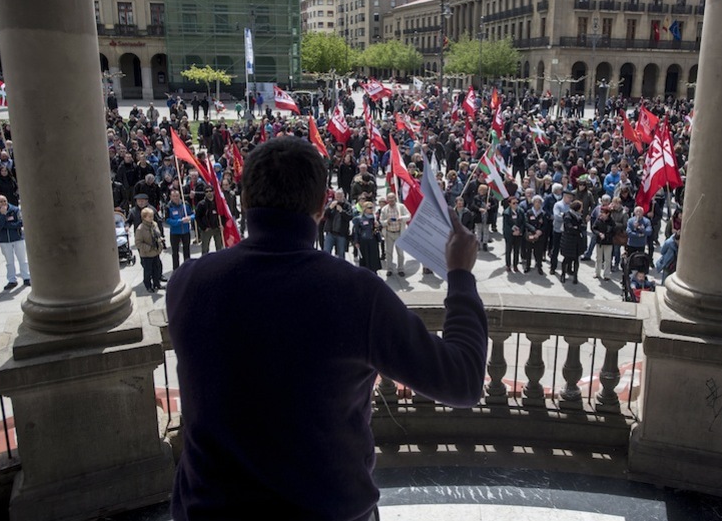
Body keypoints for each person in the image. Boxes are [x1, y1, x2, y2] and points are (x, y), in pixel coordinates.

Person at [166, 137, 486, 520]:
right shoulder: (356, 293)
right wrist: (461, 277)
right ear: (322, 205)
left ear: (245, 200)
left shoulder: (187, 282)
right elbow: (462, 381)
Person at [0, 195, 30, 289]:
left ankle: (26, 278)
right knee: (9, 262)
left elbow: (20, 223)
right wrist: (3, 215)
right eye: (1, 202)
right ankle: (12, 280)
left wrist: (6, 225)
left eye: (5, 201)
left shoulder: (15, 210)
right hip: (5, 240)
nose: (4, 203)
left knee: (22, 260)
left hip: (17, 238)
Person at [378, 192, 409, 276]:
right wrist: (386, 222)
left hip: (399, 232)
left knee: (400, 253)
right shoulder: (384, 209)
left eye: (392, 198)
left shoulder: (401, 207)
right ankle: (390, 269)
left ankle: (401, 269)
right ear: (387, 200)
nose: (391, 200)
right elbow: (381, 221)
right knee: (388, 252)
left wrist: (401, 218)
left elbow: (409, 216)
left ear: (395, 198)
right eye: (389, 198)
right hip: (389, 233)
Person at [134, 206, 164, 293]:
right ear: (144, 217)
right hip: (147, 254)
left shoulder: (154, 224)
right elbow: (138, 243)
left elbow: (157, 234)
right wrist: (148, 248)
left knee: (156, 269)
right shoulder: (140, 229)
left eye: (152, 216)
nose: (152, 218)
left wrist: (160, 240)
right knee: (148, 271)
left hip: (155, 252)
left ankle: (156, 284)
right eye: (150, 216)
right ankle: (148, 286)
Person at [165, 189, 194, 271]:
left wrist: (189, 218)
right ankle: (176, 269)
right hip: (175, 232)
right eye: (173, 196)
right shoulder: (168, 207)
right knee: (175, 252)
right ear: (170, 197)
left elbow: (192, 214)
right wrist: (179, 221)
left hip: (185, 231)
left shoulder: (186, 204)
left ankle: (188, 267)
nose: (175, 198)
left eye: (177, 196)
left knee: (186, 250)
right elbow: (167, 220)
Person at [559, 198, 586, 284]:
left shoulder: (579, 216)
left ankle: (575, 276)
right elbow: (569, 228)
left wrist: (577, 227)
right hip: (568, 241)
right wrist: (577, 228)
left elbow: (583, 226)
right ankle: (563, 274)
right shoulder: (568, 215)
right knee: (566, 259)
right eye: (581, 207)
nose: (582, 209)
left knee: (576, 260)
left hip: (577, 241)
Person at [352, 198, 382, 273]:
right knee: (365, 258)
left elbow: (377, 230)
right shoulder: (359, 219)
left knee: (373, 258)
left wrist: (378, 226)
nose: (371, 209)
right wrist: (356, 242)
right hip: (363, 241)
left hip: (372, 240)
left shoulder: (374, 218)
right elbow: (356, 231)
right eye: (369, 208)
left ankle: (374, 272)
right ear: (365, 209)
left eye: (372, 208)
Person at [322, 189, 352, 261]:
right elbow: (324, 215)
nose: (338, 198)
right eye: (337, 196)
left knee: (341, 254)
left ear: (343, 196)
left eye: (340, 196)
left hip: (341, 234)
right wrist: (329, 208)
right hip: (330, 233)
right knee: (326, 251)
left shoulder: (347, 205)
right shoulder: (331, 203)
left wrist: (342, 211)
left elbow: (350, 217)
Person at [523, 196, 549, 275]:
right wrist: (534, 230)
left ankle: (539, 266)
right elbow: (526, 223)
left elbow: (546, 225)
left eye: (539, 202)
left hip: (540, 236)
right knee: (529, 251)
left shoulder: (543, 213)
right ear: (533, 203)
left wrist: (540, 231)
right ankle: (527, 265)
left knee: (539, 251)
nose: (537, 204)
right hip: (530, 234)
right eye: (536, 202)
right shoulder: (529, 212)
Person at [592, 202, 617, 280]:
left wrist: (606, 236)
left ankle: (606, 275)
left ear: (608, 214)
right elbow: (594, 228)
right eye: (601, 212)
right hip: (599, 242)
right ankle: (597, 273)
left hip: (608, 243)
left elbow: (613, 232)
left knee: (607, 259)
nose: (601, 214)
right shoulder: (598, 220)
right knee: (598, 258)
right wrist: (599, 233)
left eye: (603, 213)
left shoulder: (612, 222)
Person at [195, 189, 224, 254]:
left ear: (213, 192)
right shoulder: (201, 204)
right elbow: (197, 217)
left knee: (219, 249)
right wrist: (203, 228)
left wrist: (222, 224)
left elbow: (222, 215)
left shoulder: (218, 202)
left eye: (210, 191)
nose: (209, 193)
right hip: (207, 230)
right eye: (207, 191)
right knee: (205, 250)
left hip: (217, 229)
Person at [502, 196, 525, 272]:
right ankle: (508, 265)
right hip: (509, 235)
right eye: (513, 203)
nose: (515, 204)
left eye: (517, 203)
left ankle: (515, 265)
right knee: (508, 250)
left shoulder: (520, 211)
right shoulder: (506, 212)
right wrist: (512, 232)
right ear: (509, 204)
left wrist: (520, 231)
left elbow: (523, 222)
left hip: (518, 234)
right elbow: (506, 225)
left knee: (516, 250)